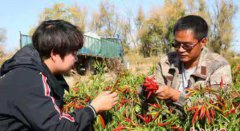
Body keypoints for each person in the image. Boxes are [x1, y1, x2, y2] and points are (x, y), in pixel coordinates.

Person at [0, 20, 118, 131]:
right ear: (55, 54)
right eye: (74, 53)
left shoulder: (40, 71)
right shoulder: (29, 79)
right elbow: (58, 127)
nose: (76, 58)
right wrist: (94, 107)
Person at [146, 15, 232, 107]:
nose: (181, 49)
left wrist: (176, 96)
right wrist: (150, 87)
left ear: (203, 42)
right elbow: (155, 95)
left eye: (187, 45)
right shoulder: (166, 62)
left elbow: (216, 104)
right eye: (177, 44)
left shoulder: (218, 66)